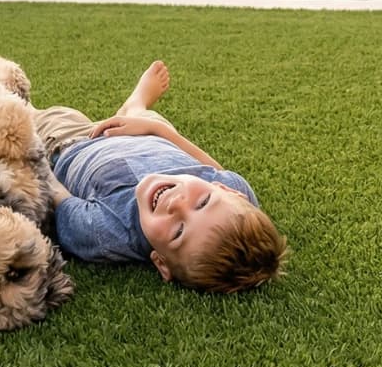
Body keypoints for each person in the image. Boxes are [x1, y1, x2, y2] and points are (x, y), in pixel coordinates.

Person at [32, 61, 285, 293]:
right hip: (147, 138)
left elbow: (55, 191)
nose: (177, 205)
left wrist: (30, 152)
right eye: (203, 202)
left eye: (178, 232)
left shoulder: (106, 234)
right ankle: (136, 107)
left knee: (50, 115)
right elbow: (214, 170)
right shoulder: (236, 193)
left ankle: (32, 109)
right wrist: (157, 130)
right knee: (151, 120)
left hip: (75, 143)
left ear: (161, 262)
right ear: (226, 190)